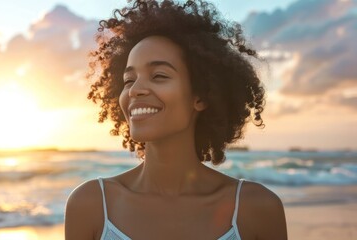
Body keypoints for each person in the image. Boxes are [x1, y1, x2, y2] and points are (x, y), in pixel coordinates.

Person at [65, 0, 287, 239]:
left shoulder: (256, 209)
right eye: (129, 80)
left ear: (201, 95)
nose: (135, 90)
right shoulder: (91, 205)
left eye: (159, 75)